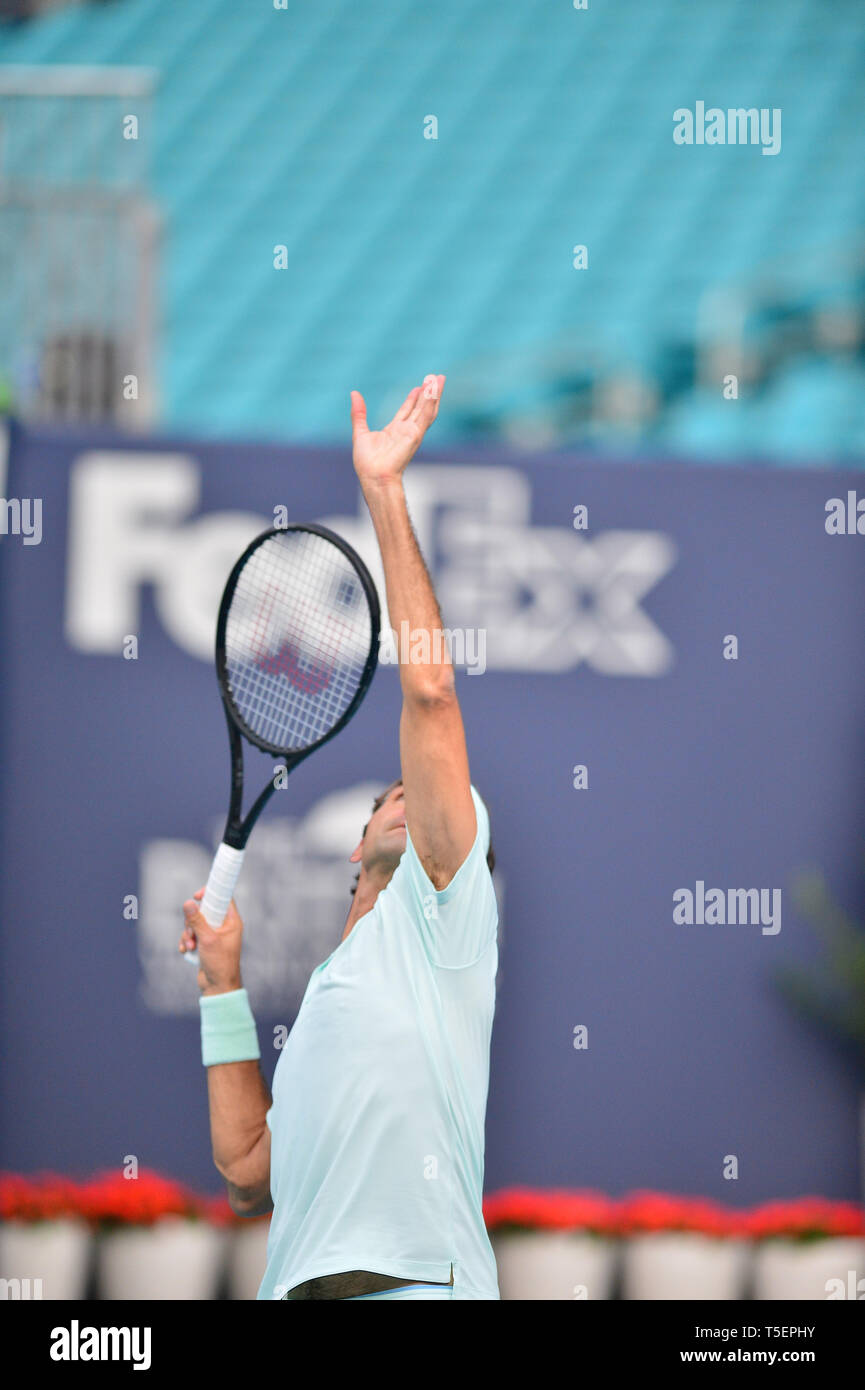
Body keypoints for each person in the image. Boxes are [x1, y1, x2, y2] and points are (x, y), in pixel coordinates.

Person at [180, 375, 500, 1300]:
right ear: (356, 845)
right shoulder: (332, 993)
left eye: (431, 798)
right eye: (393, 793)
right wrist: (221, 987)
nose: (413, 797)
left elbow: (431, 694)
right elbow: (248, 1172)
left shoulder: (444, 920)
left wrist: (383, 491)